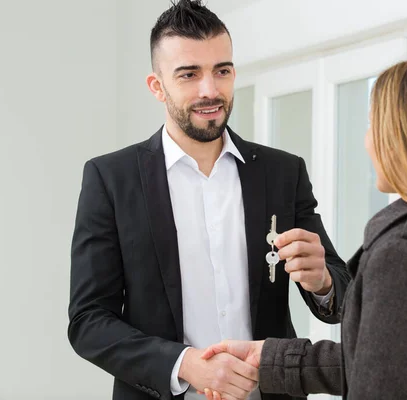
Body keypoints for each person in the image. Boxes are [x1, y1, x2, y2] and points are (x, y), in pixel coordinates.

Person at [200, 56, 407, 400]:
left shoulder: (406, 254)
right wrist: (269, 361)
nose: (367, 142)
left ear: (402, 137)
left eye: (372, 125)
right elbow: (395, 357)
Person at [67, 1, 350, 399]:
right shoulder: (110, 179)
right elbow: (88, 321)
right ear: (157, 86)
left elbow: (341, 301)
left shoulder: (284, 173)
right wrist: (183, 365)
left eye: (222, 71)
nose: (210, 90)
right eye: (189, 74)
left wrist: (322, 282)